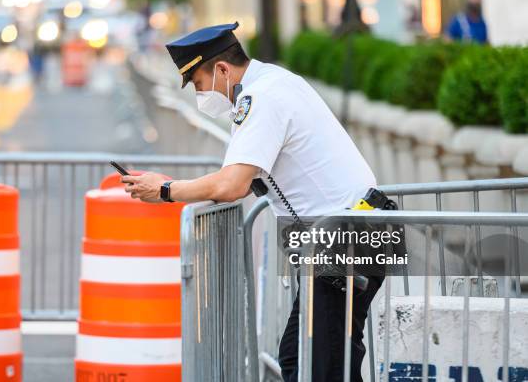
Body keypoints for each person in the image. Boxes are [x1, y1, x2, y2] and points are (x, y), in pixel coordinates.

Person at [122, 22, 381, 381]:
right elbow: (243, 182)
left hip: (344, 240)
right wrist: (173, 186)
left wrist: (166, 191)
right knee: (300, 360)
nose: (200, 95)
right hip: (348, 236)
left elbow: (232, 185)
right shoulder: (271, 82)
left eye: (198, 84)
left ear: (223, 70)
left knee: (321, 367)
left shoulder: (261, 98)